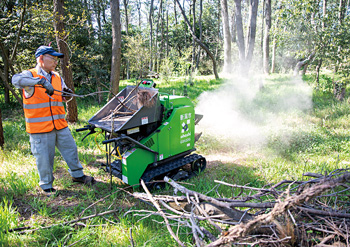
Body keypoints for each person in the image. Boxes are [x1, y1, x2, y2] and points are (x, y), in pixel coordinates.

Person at [12, 45, 94, 195]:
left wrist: (67, 95)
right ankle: (46, 185)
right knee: (44, 158)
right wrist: (41, 82)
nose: (56, 62)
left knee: (71, 150)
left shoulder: (57, 77)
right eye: (53, 59)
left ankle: (77, 175)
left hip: (60, 124)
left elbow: (63, 97)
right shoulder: (30, 75)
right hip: (40, 128)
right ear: (41, 59)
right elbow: (15, 80)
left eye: (57, 60)